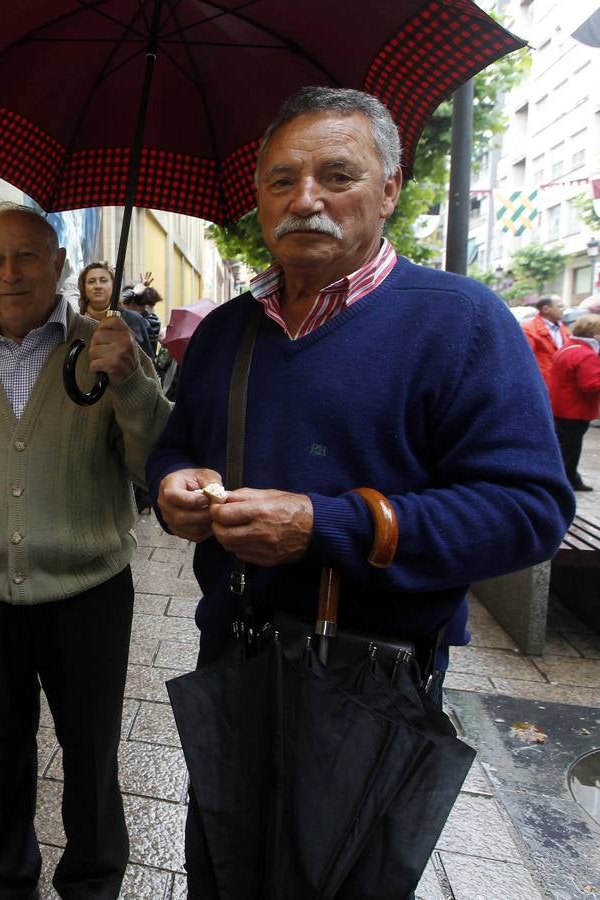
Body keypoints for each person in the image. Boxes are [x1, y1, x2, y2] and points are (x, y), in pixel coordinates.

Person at [145, 87, 575, 895]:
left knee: (346, 879)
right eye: (281, 180)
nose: (305, 198)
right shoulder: (225, 333)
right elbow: (173, 447)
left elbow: (529, 512)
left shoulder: (464, 323)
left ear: (390, 189)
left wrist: (327, 525)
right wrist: (172, 485)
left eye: (336, 175)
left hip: (371, 680)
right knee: (223, 873)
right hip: (233, 655)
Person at [0, 202, 172, 899]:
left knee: (90, 750)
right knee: (6, 746)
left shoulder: (108, 347)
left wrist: (129, 378)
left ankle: (92, 882)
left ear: (59, 264)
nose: (10, 273)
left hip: (86, 593)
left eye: (27, 256)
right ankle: (8, 878)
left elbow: (153, 466)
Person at [550, 314, 600, 492]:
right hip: (575, 410)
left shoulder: (569, 348)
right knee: (569, 449)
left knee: (569, 446)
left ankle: (571, 478)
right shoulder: (586, 354)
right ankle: (561, 482)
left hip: (562, 406)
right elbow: (590, 385)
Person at [77, 260, 155, 358]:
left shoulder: (133, 320)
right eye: (91, 281)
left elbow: (148, 363)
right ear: (84, 288)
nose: (98, 286)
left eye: (103, 280)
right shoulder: (76, 323)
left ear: (114, 286)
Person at [523, 294, 572, 387]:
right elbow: (526, 361)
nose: (563, 309)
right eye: (560, 306)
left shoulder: (564, 329)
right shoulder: (529, 330)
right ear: (546, 309)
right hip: (544, 384)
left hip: (563, 383)